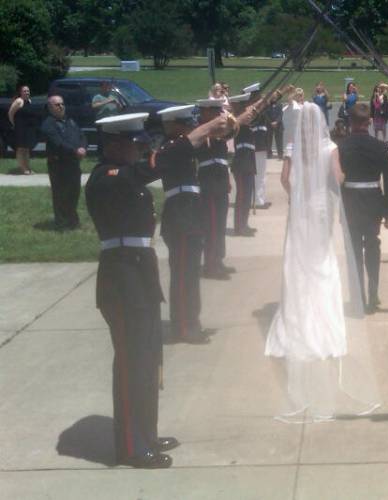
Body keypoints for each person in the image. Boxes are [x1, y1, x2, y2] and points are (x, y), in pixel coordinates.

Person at [265, 102, 380, 422]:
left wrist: (299, 192)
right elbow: (339, 177)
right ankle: (322, 316)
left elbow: (286, 179)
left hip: (301, 209)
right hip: (320, 209)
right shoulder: (330, 147)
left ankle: (297, 314)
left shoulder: (292, 146)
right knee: (322, 260)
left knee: (298, 258)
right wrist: (325, 186)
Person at [85, 113, 179, 469]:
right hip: (122, 280)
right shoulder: (106, 177)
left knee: (148, 358)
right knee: (130, 363)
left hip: (141, 275)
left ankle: (147, 433)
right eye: (134, 145)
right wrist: (194, 136)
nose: (140, 151)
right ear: (113, 144)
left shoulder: (126, 175)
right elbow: (147, 171)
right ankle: (130, 445)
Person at [154, 105, 232, 344]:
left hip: (190, 213)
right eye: (186, 123)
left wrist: (228, 123)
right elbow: (194, 140)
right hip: (180, 216)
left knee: (189, 273)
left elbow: (221, 136)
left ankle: (190, 320)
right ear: (171, 125)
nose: (191, 127)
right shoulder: (170, 148)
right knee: (183, 274)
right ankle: (184, 325)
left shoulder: (184, 146)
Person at [339, 103, 388, 313]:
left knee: (354, 249)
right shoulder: (380, 146)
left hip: (350, 203)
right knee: (372, 246)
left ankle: (358, 295)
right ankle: (373, 293)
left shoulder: (341, 146)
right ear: (369, 122)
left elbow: (335, 181)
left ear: (350, 122)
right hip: (374, 203)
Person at [195, 98, 236, 280]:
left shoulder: (219, 130)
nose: (220, 115)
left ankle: (218, 260)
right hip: (209, 182)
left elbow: (232, 132)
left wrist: (227, 178)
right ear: (205, 112)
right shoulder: (199, 130)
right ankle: (210, 265)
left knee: (219, 225)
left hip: (220, 180)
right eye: (215, 111)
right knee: (211, 225)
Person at [40, 95, 86, 230]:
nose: (61, 106)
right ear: (50, 108)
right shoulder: (48, 125)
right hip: (58, 164)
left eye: (62, 104)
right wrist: (75, 150)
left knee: (74, 192)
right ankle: (61, 223)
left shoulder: (70, 121)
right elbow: (58, 143)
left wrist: (83, 147)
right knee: (61, 193)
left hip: (73, 163)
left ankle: (72, 220)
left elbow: (81, 135)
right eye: (57, 105)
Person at [229, 92, 257, 236]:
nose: (249, 113)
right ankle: (239, 226)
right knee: (241, 196)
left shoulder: (246, 123)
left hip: (249, 162)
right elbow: (232, 125)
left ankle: (243, 224)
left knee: (247, 196)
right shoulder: (235, 123)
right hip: (241, 163)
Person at [7, 84, 36, 175]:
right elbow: (10, 113)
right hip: (20, 128)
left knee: (26, 149)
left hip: (28, 128)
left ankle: (27, 167)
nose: (27, 92)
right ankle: (23, 169)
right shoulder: (18, 101)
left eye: (28, 91)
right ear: (20, 92)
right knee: (20, 149)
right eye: (24, 91)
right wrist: (14, 123)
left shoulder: (30, 101)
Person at [267, 90, 285, 159]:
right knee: (268, 141)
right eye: (272, 96)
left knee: (279, 141)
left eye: (275, 96)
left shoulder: (280, 104)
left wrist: (276, 122)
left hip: (279, 125)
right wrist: (270, 122)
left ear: (277, 97)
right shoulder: (267, 105)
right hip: (269, 125)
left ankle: (280, 155)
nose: (274, 97)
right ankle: (269, 154)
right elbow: (266, 115)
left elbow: (281, 114)